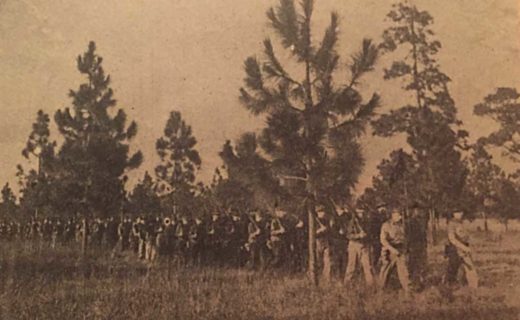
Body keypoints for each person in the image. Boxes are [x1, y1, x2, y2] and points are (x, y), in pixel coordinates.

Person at [444, 210, 478, 289]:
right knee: (452, 268)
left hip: (463, 250)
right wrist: (464, 248)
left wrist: (469, 245)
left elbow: (466, 237)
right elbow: (452, 239)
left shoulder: (461, 223)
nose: (460, 214)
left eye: (461, 212)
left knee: (469, 267)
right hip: (454, 250)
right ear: (453, 213)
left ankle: (473, 286)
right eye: (457, 212)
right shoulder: (451, 224)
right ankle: (448, 285)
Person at [379, 209, 410, 293]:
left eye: (400, 215)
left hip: (400, 251)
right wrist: (392, 250)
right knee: (385, 272)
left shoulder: (402, 225)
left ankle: (407, 291)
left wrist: (405, 249)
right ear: (392, 215)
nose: (400, 217)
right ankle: (380, 291)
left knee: (404, 271)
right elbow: (383, 240)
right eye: (398, 215)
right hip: (389, 251)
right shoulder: (386, 225)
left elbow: (404, 238)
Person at [344, 208, 374, 286]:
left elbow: (370, 234)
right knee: (351, 266)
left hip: (364, 245)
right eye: (359, 212)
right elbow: (348, 235)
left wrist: (366, 236)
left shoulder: (366, 222)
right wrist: (358, 236)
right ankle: (347, 284)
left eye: (362, 212)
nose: (361, 214)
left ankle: (370, 285)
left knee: (367, 266)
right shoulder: (352, 222)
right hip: (354, 245)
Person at [315, 204, 332, 284]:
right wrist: (319, 230)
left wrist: (327, 229)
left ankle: (326, 279)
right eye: (320, 212)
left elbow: (329, 231)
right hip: (317, 241)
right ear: (317, 212)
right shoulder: (314, 221)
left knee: (327, 261)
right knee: (317, 261)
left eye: (323, 211)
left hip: (325, 241)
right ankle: (316, 277)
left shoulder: (326, 221)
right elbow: (312, 234)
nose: (322, 213)